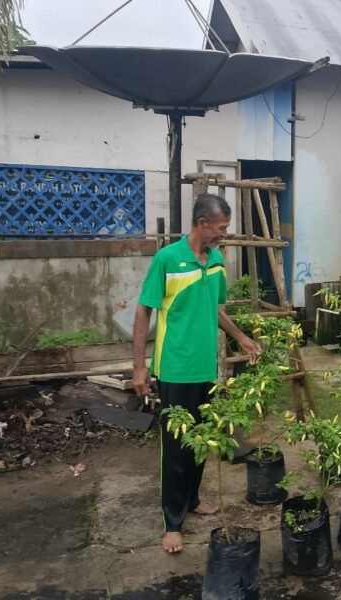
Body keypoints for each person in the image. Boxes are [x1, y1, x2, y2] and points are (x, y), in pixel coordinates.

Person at [132, 193, 262, 553]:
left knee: (201, 440)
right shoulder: (167, 259)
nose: (223, 234)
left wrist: (241, 337)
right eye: (220, 228)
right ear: (202, 224)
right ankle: (172, 523)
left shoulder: (217, 261)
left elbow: (215, 310)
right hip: (175, 367)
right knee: (175, 448)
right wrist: (139, 366)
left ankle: (191, 500)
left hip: (206, 368)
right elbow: (143, 311)